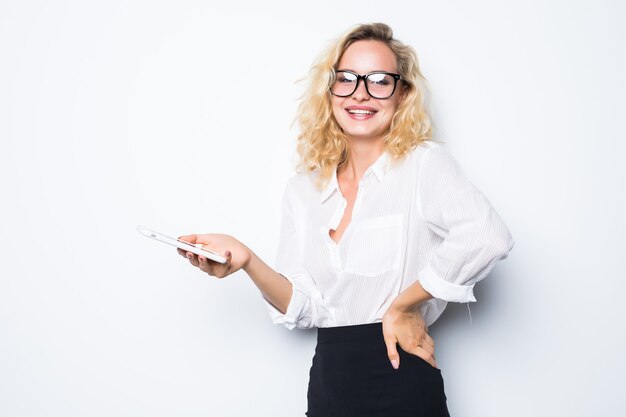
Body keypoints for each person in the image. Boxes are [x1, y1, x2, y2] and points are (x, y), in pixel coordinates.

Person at [177, 22, 515, 417]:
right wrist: (247, 260)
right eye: (347, 79)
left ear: (402, 92)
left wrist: (403, 307)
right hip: (329, 384)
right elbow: (307, 307)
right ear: (330, 89)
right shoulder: (304, 189)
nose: (360, 93)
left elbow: (487, 236)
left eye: (379, 81)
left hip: (400, 373)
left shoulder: (423, 166)